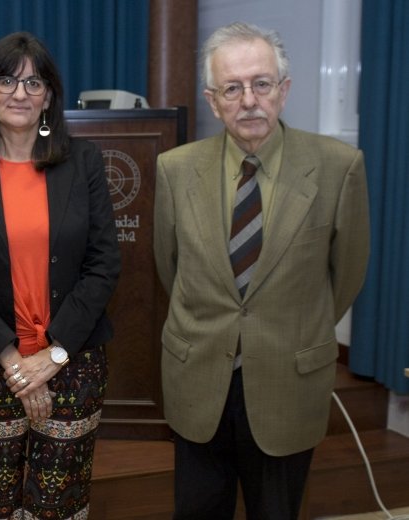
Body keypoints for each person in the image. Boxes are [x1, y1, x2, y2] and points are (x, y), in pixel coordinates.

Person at [154, 22, 370, 519]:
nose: (249, 99)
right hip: (198, 377)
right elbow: (170, 268)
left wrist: (290, 323)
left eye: (261, 83)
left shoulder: (339, 167)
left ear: (284, 90)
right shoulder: (175, 169)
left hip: (287, 382)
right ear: (213, 100)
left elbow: (347, 274)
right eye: (233, 87)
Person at [0, 32, 121, 520]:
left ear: (50, 96)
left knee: (58, 505)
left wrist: (53, 355)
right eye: (7, 80)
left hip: (74, 362)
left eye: (34, 82)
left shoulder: (84, 163)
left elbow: (104, 265)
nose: (20, 93)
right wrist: (17, 363)